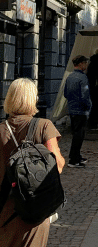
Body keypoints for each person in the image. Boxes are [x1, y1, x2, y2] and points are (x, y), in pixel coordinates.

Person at [0, 78, 65, 247]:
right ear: (32, 99)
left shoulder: (0, 129)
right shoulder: (44, 126)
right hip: (34, 208)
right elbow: (57, 165)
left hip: (4, 209)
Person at [64, 55, 92, 168]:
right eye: (85, 63)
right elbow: (85, 95)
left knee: (76, 133)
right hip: (81, 110)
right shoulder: (82, 78)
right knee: (79, 135)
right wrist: (89, 106)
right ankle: (73, 159)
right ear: (81, 64)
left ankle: (76, 155)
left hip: (72, 108)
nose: (86, 65)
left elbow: (65, 93)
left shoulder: (70, 77)